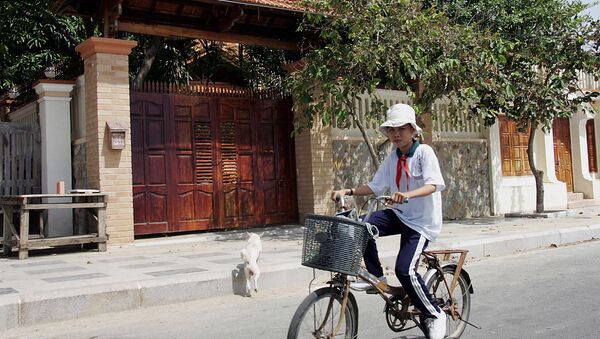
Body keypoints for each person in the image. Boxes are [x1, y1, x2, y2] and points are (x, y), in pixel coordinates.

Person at [331, 103, 447, 339]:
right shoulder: (393, 157)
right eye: (391, 130)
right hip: (399, 215)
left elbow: (434, 184)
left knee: (404, 270)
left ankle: (434, 314)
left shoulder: (424, 153)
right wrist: (348, 191)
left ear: (412, 130)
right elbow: (374, 186)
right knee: (361, 227)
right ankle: (378, 277)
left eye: (401, 129)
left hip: (422, 223)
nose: (396, 134)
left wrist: (407, 195)